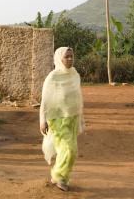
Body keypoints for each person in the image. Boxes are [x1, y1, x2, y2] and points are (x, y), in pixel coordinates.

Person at [39, 47, 85, 192]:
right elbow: (45, 100)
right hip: (57, 119)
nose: (70, 59)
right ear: (60, 58)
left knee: (71, 150)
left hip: (72, 118)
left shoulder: (74, 74)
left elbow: (78, 97)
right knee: (69, 150)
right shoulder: (53, 77)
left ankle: (59, 177)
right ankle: (60, 177)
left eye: (71, 56)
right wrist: (42, 119)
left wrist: (80, 118)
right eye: (67, 57)